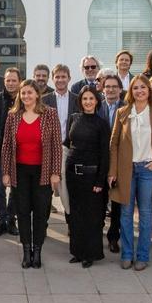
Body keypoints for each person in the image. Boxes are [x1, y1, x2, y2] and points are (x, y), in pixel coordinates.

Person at [108, 75, 152, 272]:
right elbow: (114, 143)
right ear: (130, 91)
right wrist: (113, 171)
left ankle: (143, 256)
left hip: (147, 169)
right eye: (135, 88)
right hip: (127, 169)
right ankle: (127, 254)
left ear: (149, 90)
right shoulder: (122, 112)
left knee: (145, 213)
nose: (139, 91)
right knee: (126, 213)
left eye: (143, 87)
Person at [1, 79, 61, 268]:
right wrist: (6, 172)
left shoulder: (49, 114)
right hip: (20, 171)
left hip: (43, 171)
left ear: (37, 94)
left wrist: (55, 172)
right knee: (23, 211)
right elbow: (6, 146)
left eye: (29, 92)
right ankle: (27, 251)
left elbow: (56, 146)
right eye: (23, 93)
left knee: (41, 213)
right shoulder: (13, 116)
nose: (26, 96)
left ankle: (38, 250)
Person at [62, 88, 110, 267]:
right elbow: (67, 143)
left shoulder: (102, 124)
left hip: (92, 177)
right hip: (73, 175)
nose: (88, 102)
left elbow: (105, 154)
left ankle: (90, 254)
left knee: (92, 216)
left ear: (97, 101)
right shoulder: (74, 118)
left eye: (91, 98)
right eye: (85, 99)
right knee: (75, 215)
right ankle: (77, 251)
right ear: (80, 101)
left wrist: (100, 181)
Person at [0, 67, 20, 236]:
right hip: (0, 153)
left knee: (15, 189)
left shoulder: (24, 100)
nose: (10, 83)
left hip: (20, 154)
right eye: (8, 80)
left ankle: (11, 219)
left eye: (14, 80)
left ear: (19, 81)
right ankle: (1, 220)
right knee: (0, 188)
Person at [42, 63, 76, 214]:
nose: (60, 80)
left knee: (67, 188)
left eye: (64, 77)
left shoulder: (77, 100)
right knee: (45, 188)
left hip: (69, 149)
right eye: (57, 77)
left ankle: (71, 221)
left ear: (69, 78)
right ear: (52, 79)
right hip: (48, 149)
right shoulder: (44, 100)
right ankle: (43, 225)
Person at [99, 73, 125, 253]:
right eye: (107, 86)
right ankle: (95, 232)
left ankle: (113, 237)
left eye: (114, 86)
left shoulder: (127, 108)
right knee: (99, 200)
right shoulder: (95, 106)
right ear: (103, 88)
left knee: (116, 202)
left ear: (120, 89)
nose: (110, 89)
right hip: (100, 161)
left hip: (119, 161)